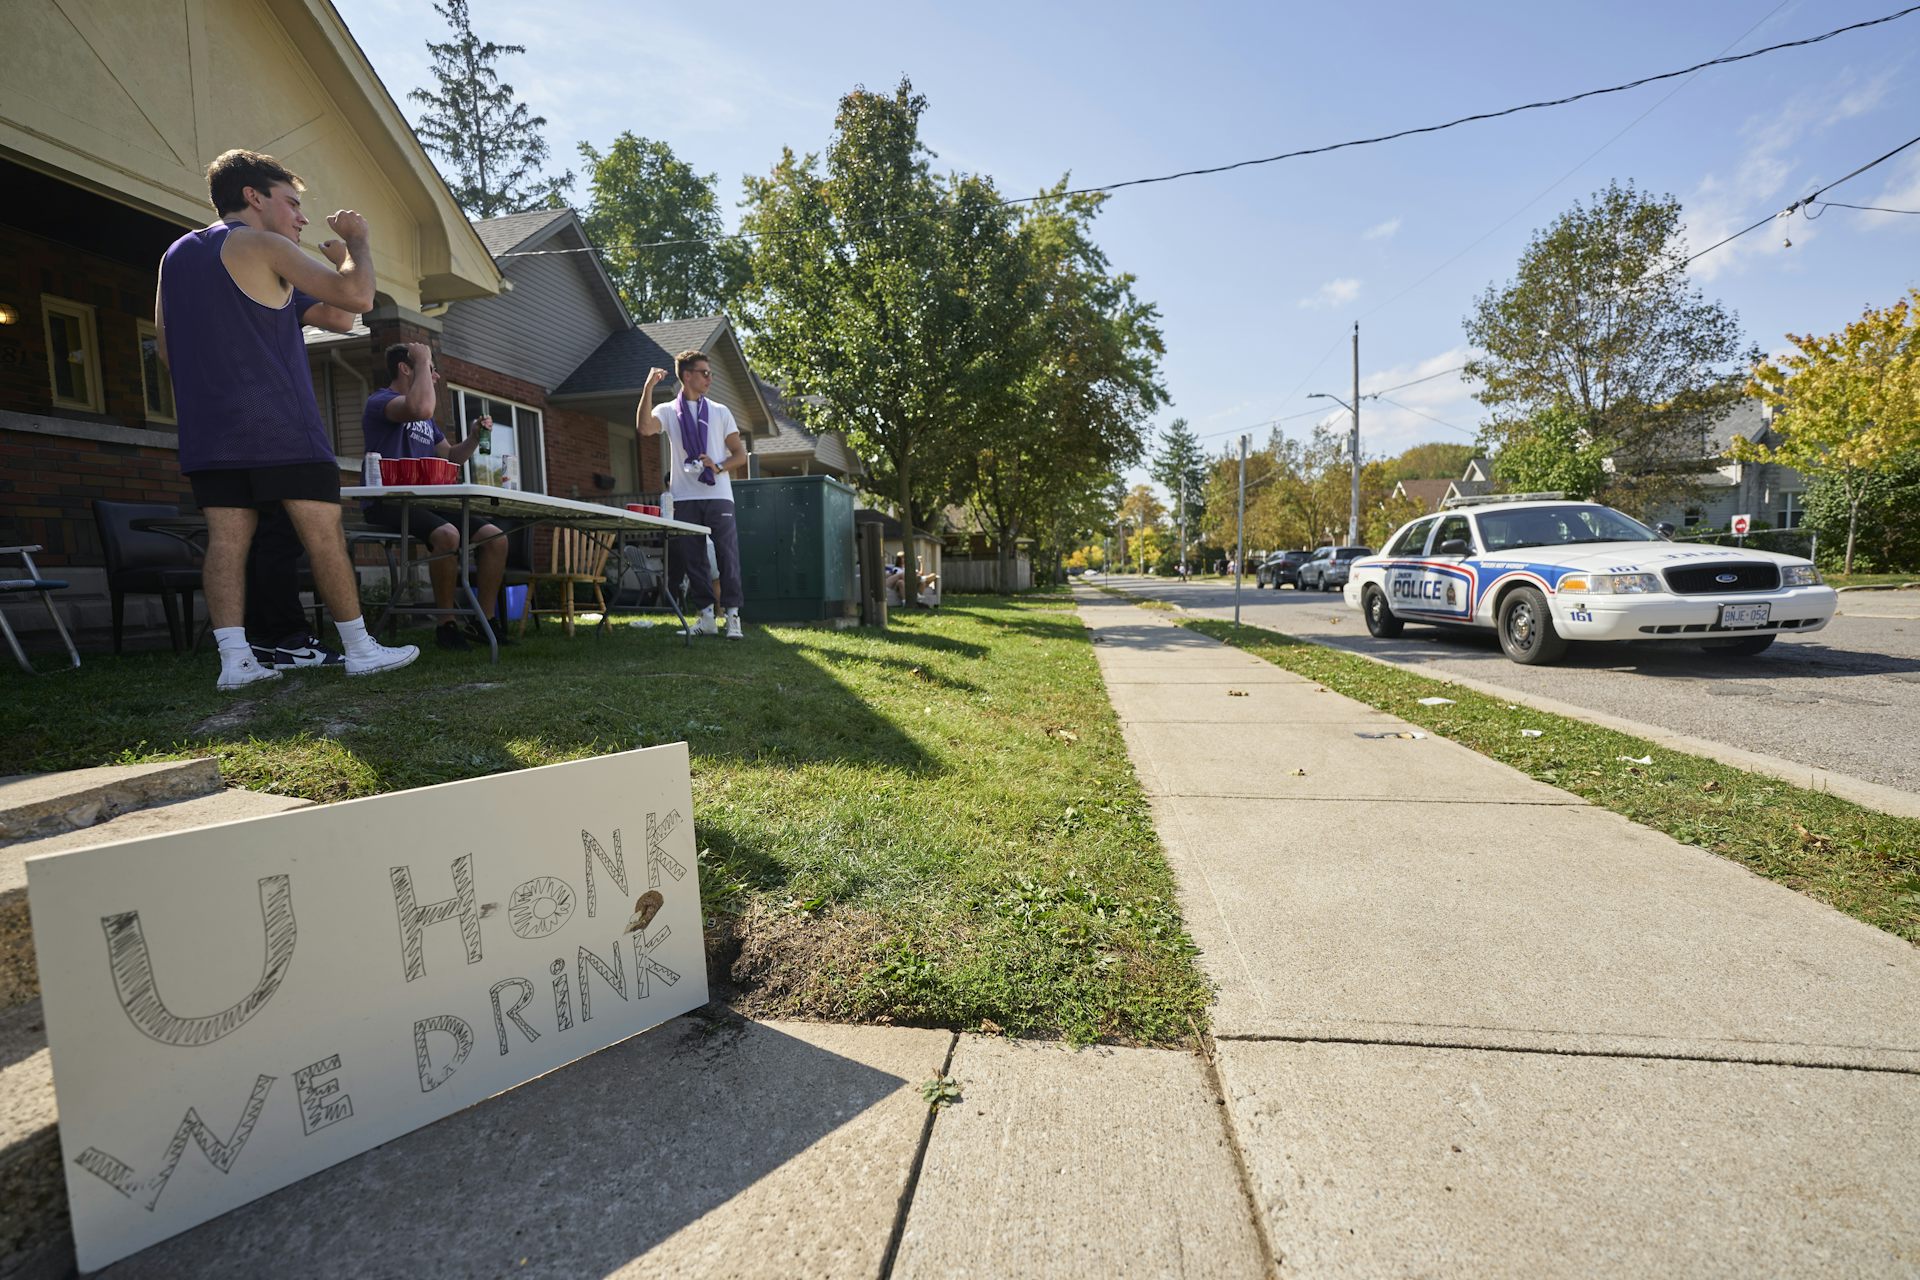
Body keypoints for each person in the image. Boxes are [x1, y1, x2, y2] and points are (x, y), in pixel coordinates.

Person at [154, 148, 416, 689]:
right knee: (323, 535)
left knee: (226, 541)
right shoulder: (262, 245)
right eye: (292, 203)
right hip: (281, 428)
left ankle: (235, 661)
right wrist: (359, 245)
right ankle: (360, 648)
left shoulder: (175, 256)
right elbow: (360, 297)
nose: (299, 215)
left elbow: (165, 350)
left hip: (211, 434)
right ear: (253, 197)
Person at [360, 343, 509, 651]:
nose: (436, 377)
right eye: (430, 369)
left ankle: (484, 622)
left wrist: (472, 437)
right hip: (387, 501)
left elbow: (452, 458)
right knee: (447, 535)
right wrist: (422, 356)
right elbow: (418, 407)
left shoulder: (426, 421)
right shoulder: (381, 402)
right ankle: (446, 625)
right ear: (406, 368)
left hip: (424, 502)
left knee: (496, 538)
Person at [635, 350, 747, 638]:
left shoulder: (721, 411)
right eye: (704, 373)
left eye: (710, 373)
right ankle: (707, 618)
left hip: (718, 493)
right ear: (687, 376)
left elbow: (740, 455)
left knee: (727, 555)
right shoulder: (668, 410)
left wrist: (718, 465)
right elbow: (644, 428)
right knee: (694, 559)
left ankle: (733, 617)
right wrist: (648, 388)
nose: (710, 378)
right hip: (684, 496)